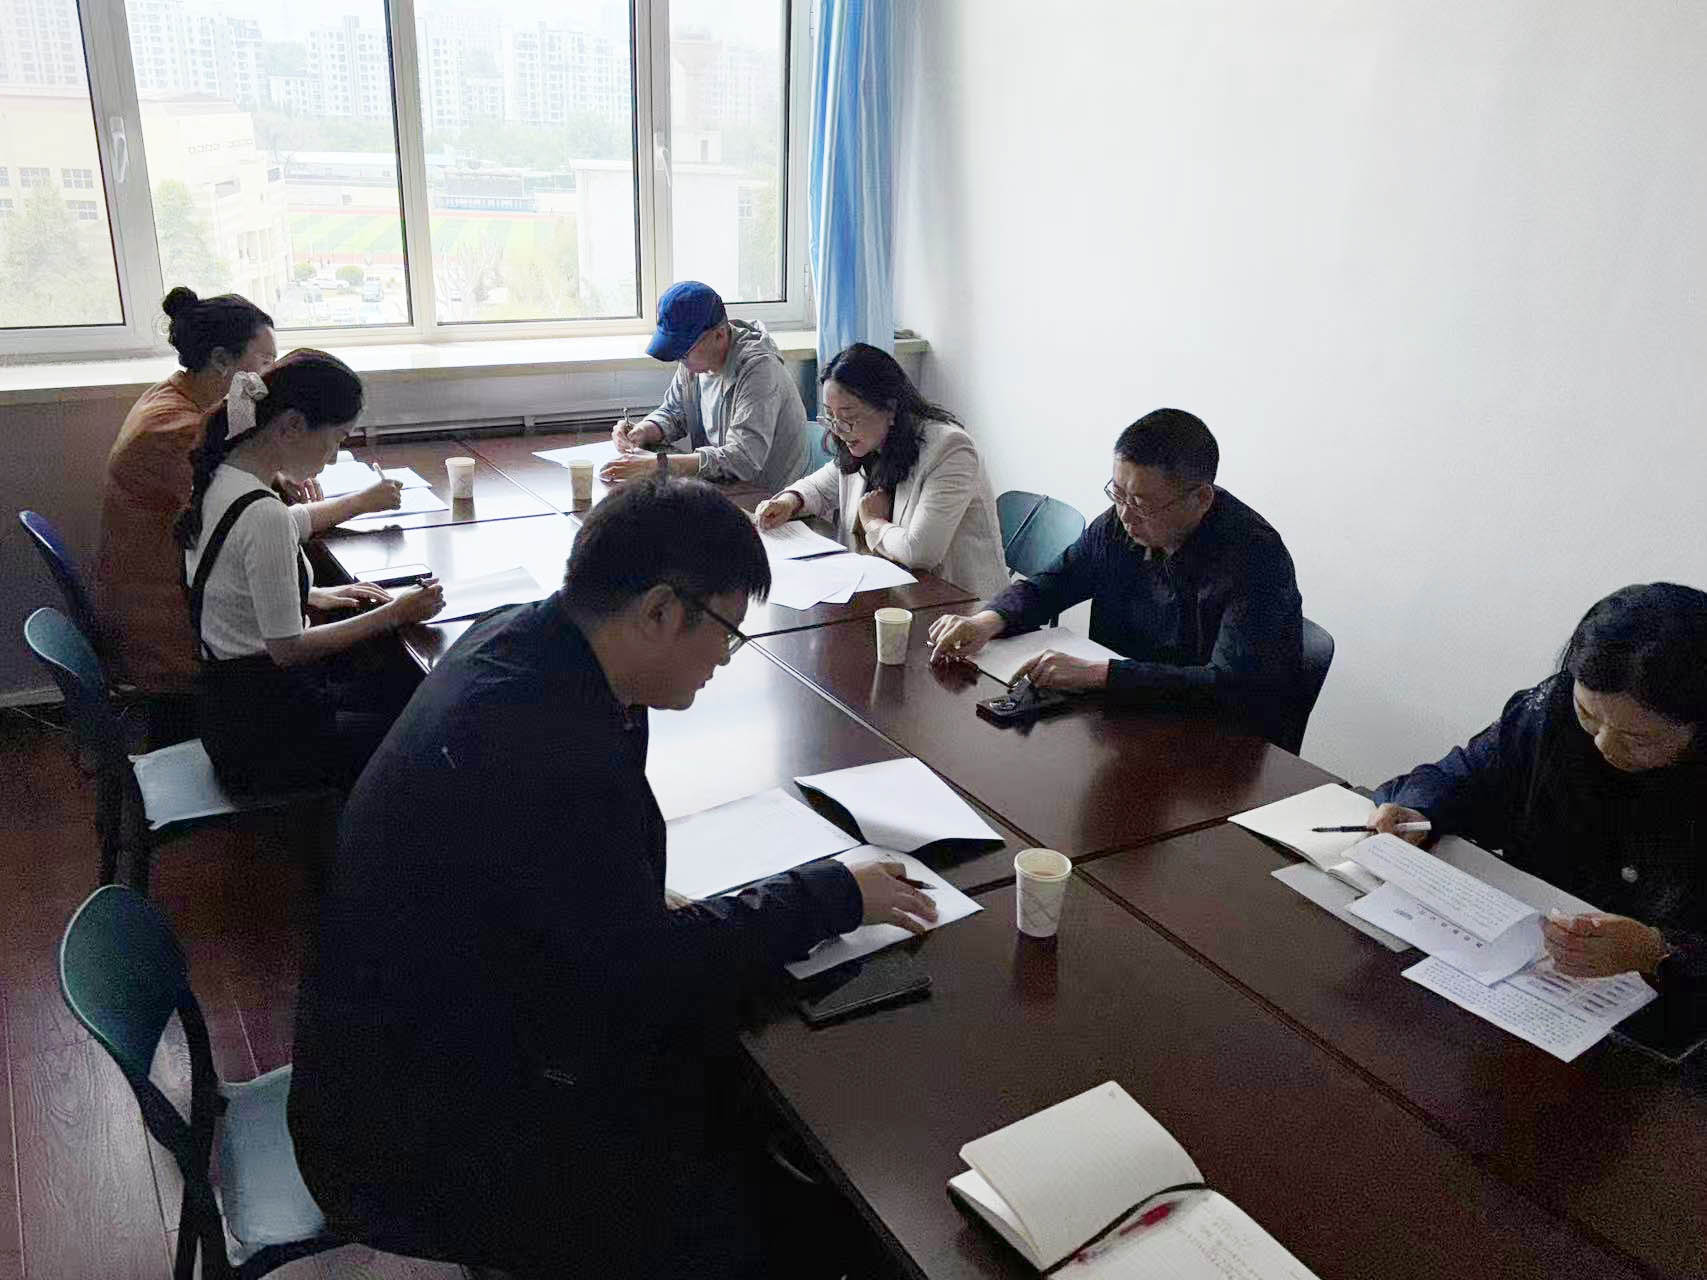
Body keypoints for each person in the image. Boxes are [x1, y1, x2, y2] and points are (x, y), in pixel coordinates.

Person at [288, 477, 935, 1278]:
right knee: (766, 1199)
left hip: (414, 1048)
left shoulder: (523, 642)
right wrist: (833, 893)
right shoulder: (548, 749)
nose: (724, 657)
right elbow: (643, 976)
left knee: (734, 1096)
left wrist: (635, 901)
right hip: (423, 1138)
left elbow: (574, 895)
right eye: (726, 631)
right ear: (660, 611)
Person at [1370, 583, 1707, 1000]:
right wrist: (1417, 810)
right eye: (1588, 714)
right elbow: (1466, 775)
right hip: (1524, 969)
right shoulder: (1552, 711)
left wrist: (1657, 952)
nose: (1603, 745)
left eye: (1636, 739)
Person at [94, 288, 401, 716]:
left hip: (205, 617)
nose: (274, 377)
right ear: (222, 361)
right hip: (176, 637)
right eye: (266, 363)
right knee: (385, 673)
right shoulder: (177, 433)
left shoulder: (181, 401)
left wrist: (306, 590)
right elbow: (255, 526)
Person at [927, 408, 1306, 746]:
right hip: (1120, 722)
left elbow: (1228, 686)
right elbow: (1056, 581)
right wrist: (988, 621)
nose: (1125, 515)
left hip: (1213, 746)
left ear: (1201, 499)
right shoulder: (1120, 525)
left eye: (1140, 503)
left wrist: (1099, 675)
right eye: (1118, 494)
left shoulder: (1256, 558)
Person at [176, 350, 444, 791]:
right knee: (428, 727)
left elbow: (277, 533)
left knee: (393, 682)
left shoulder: (225, 476)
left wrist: (357, 505)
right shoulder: (262, 513)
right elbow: (288, 649)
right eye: (337, 439)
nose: (334, 457)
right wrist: (395, 613)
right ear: (292, 426)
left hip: (229, 712)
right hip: (267, 740)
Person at [752, 342, 1009, 598]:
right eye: (831, 416)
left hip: (959, 604)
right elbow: (818, 487)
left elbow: (920, 552)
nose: (838, 430)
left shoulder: (950, 450)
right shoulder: (868, 441)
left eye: (849, 417)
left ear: (890, 407)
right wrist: (789, 502)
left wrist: (873, 522)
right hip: (891, 590)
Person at [602, 280, 810, 492]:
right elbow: (675, 412)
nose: (680, 360)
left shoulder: (760, 370)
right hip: (723, 486)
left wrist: (660, 464)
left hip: (770, 498)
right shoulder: (695, 362)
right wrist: (644, 430)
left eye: (684, 353)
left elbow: (743, 459)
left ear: (719, 335)